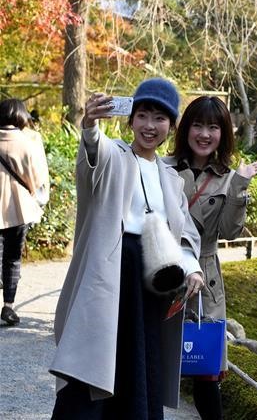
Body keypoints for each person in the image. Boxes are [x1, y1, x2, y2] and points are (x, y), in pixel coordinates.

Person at [51, 78, 204, 420]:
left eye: (160, 118)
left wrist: (192, 265)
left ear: (171, 125)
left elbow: (184, 233)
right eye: (143, 115)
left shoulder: (170, 177)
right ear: (130, 119)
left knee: (140, 361)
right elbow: (93, 153)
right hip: (110, 277)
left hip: (151, 284)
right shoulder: (115, 156)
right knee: (96, 359)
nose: (150, 126)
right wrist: (90, 124)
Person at [167, 96, 257, 420]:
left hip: (205, 281)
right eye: (197, 125)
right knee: (154, 365)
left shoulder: (228, 177)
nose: (204, 134)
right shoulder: (164, 168)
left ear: (223, 133)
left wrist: (240, 185)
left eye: (213, 127)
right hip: (165, 272)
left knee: (205, 375)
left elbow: (230, 232)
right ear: (185, 129)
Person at [0, 98, 50, 325]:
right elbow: (36, 179)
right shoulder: (27, 142)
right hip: (18, 209)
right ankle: (8, 307)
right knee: (12, 258)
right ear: (21, 116)